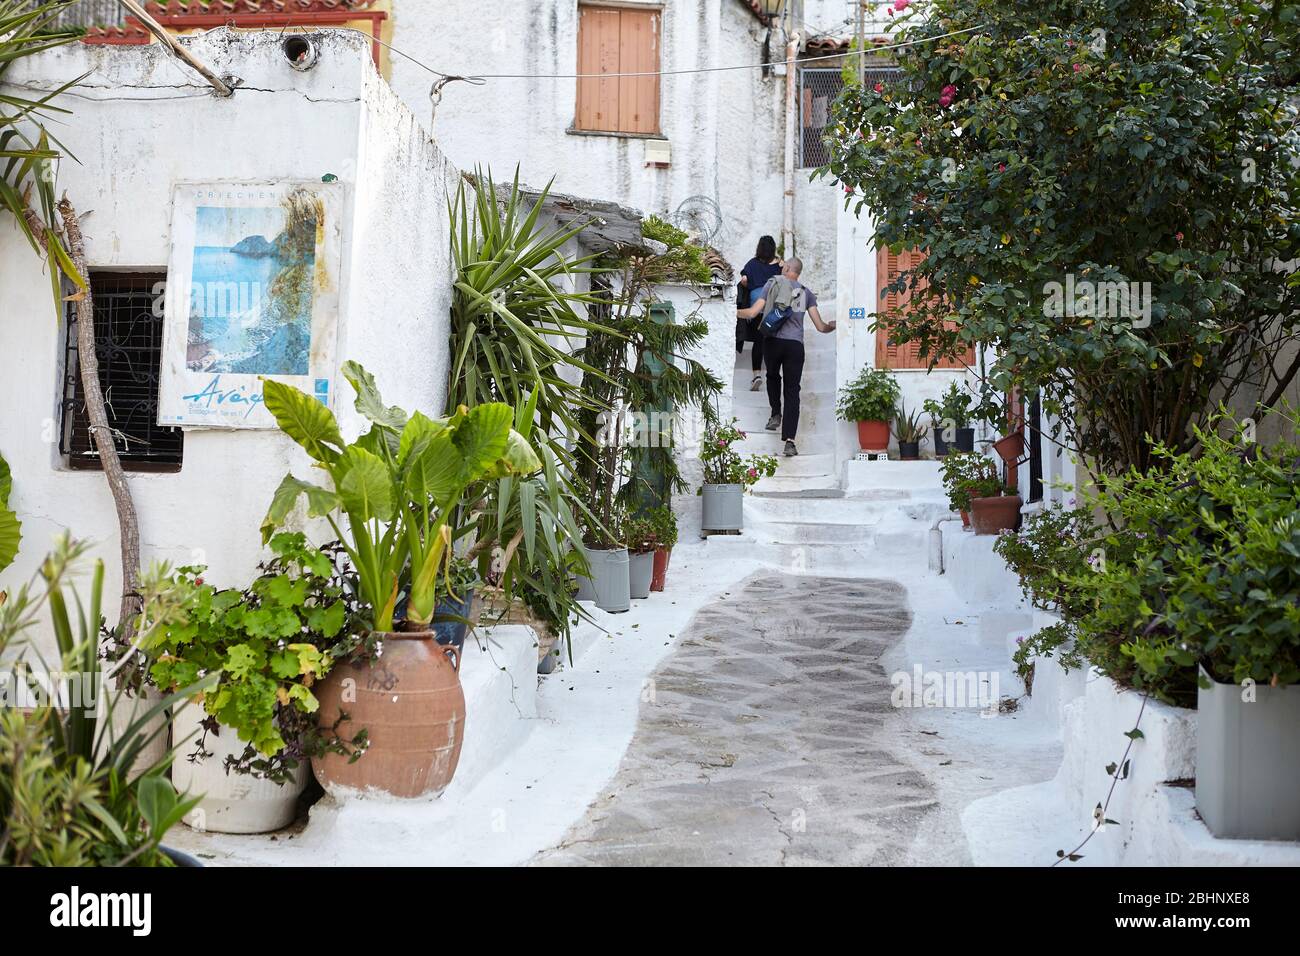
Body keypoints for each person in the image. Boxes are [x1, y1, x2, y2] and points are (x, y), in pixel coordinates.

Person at [735, 256, 836, 457]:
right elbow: (820, 326)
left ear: (788, 267)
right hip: (795, 346)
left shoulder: (772, 284)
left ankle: (775, 414)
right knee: (792, 391)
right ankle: (790, 441)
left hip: (773, 341)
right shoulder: (806, 293)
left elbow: (753, 312)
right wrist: (833, 325)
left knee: (772, 376)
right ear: (798, 272)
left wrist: (732, 311)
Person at [735, 235, 783, 391]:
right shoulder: (780, 265)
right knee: (772, 339)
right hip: (774, 305)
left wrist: (751, 284)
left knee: (759, 340)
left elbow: (743, 280)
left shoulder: (752, 263)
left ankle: (756, 375)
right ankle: (773, 373)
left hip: (756, 304)